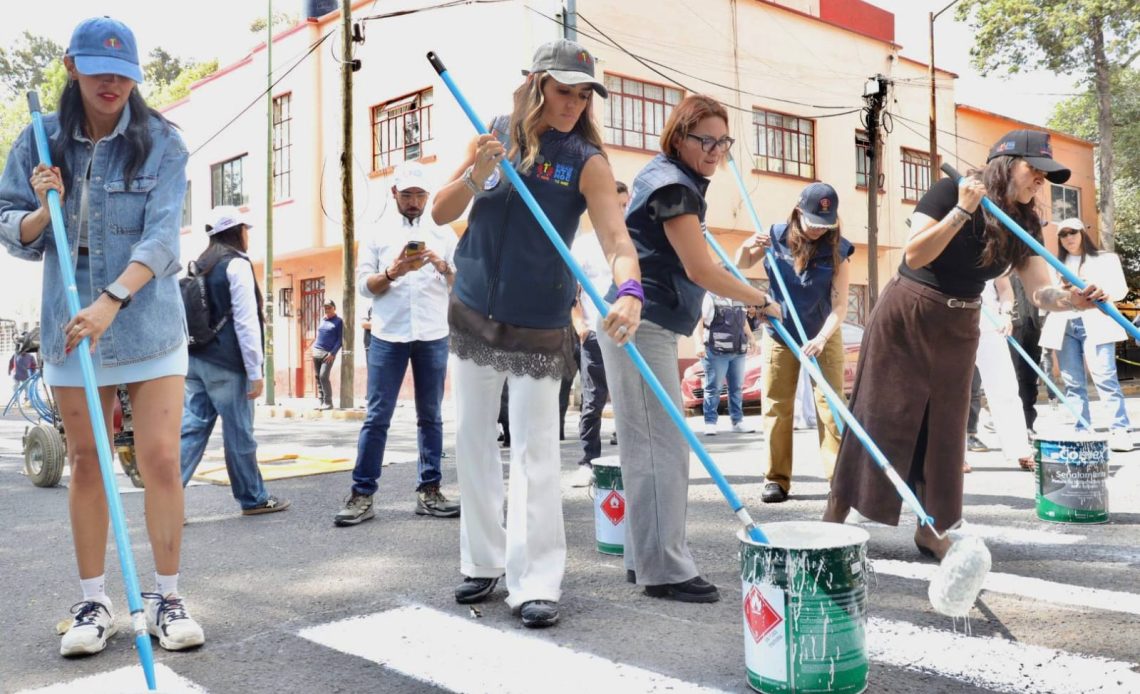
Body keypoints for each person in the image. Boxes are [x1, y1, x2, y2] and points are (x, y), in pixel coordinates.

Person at [0, 16, 204, 656]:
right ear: (72, 68)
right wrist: (43, 208)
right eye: (98, 70)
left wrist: (113, 299)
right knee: (86, 464)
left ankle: (168, 597)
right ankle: (94, 600)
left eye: (124, 73)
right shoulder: (38, 140)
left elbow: (164, 238)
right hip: (72, 326)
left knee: (160, 461)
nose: (112, 82)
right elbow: (11, 228)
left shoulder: (163, 142)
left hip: (146, 321)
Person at [432, 38, 642, 628]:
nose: (572, 104)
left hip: (539, 321)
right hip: (473, 308)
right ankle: (483, 561)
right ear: (537, 83)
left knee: (535, 453)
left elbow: (616, 241)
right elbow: (441, 213)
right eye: (563, 90)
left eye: (582, 95)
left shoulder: (587, 161)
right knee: (473, 440)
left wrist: (629, 291)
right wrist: (478, 174)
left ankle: (536, 581)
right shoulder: (493, 133)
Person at [823, 129, 1107, 560]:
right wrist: (961, 210)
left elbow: (1039, 292)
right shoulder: (948, 191)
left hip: (960, 321)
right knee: (881, 414)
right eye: (1035, 171)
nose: (1040, 182)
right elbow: (915, 255)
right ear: (1007, 165)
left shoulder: (1026, 221)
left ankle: (932, 528)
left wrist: (1074, 300)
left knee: (944, 427)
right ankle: (834, 517)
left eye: (1046, 177)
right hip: (910, 312)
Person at [599, 94, 781, 603]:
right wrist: (761, 300)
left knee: (647, 449)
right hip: (641, 324)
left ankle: (646, 560)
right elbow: (701, 271)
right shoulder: (675, 187)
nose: (716, 150)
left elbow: (698, 263)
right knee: (663, 449)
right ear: (678, 136)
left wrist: (744, 280)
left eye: (724, 141)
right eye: (705, 139)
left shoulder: (669, 179)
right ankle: (666, 571)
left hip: (638, 324)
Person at [335, 161, 460, 526]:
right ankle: (362, 494)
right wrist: (393, 272)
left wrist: (440, 265)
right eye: (407, 195)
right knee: (377, 417)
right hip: (389, 334)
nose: (414, 202)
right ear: (394, 194)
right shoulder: (376, 233)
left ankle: (430, 491)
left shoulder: (443, 232)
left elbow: (461, 284)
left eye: (421, 195)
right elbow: (362, 286)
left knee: (431, 416)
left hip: (433, 333)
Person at [736, 182, 852, 503]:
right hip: (780, 332)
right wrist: (746, 247)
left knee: (831, 406)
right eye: (814, 222)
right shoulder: (774, 236)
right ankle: (776, 479)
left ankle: (838, 480)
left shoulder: (838, 248)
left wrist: (821, 338)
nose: (819, 230)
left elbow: (840, 305)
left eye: (825, 224)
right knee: (776, 405)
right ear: (799, 212)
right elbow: (741, 263)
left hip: (822, 334)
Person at [178, 207, 290, 515]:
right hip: (227, 365)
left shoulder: (198, 264)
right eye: (245, 229)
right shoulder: (236, 265)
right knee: (239, 432)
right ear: (237, 231)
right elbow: (246, 321)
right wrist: (255, 370)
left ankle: (166, 501)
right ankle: (253, 498)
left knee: (192, 430)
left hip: (194, 361)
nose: (247, 235)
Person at [1039, 218, 1133, 451]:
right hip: (1064, 325)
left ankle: (1119, 429)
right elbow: (1046, 298)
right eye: (1063, 234)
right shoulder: (1054, 263)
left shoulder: (1105, 258)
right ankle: (1081, 428)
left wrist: (1101, 292)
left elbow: (1120, 290)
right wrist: (1062, 292)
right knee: (1073, 382)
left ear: (1082, 233)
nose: (1069, 238)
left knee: (1105, 378)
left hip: (1096, 321)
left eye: (1073, 233)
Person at [567, 180, 630, 487]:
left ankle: (634, 462)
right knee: (593, 401)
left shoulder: (635, 241)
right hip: (594, 333)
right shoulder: (583, 245)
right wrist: (578, 323)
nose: (620, 211)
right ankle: (588, 461)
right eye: (614, 205)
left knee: (630, 399)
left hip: (630, 334)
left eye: (624, 205)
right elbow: (572, 291)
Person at [973, 277, 1036, 471]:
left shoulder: (991, 250)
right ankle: (952, 456)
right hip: (951, 323)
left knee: (1005, 389)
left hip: (990, 325)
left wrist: (1006, 313)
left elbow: (1005, 288)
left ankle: (1020, 449)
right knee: (951, 393)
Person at [693, 291, 756, 436]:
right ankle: (710, 423)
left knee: (736, 388)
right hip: (716, 351)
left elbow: (743, 320)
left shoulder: (738, 297)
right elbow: (699, 321)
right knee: (713, 388)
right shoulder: (709, 297)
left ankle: (737, 421)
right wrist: (699, 344)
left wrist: (751, 337)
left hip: (738, 351)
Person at [312, 299, 343, 410]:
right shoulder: (322, 320)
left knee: (323, 376)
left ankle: (328, 403)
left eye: (329, 307)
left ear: (334, 308)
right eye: (325, 308)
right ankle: (321, 402)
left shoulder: (339, 321)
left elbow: (340, 340)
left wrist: (333, 353)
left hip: (328, 354)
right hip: (316, 352)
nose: (327, 310)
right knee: (317, 377)